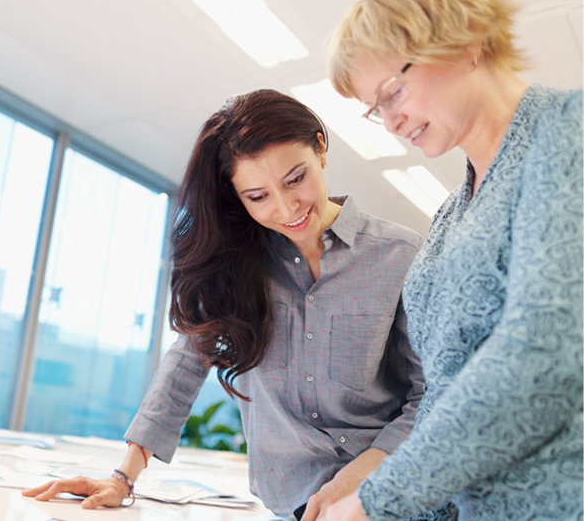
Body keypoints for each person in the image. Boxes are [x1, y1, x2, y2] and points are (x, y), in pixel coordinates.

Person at [23, 89, 426, 519]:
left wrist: (362, 475)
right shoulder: (235, 267)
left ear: (320, 149)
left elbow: (428, 394)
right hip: (292, 505)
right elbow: (185, 365)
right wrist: (122, 477)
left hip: (390, 493)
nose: (286, 207)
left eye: (295, 179)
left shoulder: (401, 254)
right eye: (258, 197)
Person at [318, 0, 583, 520]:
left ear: (465, 43)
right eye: (375, 109)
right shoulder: (447, 218)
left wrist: (378, 503)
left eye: (392, 91)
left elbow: (546, 350)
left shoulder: (567, 129)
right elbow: (442, 393)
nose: (389, 121)